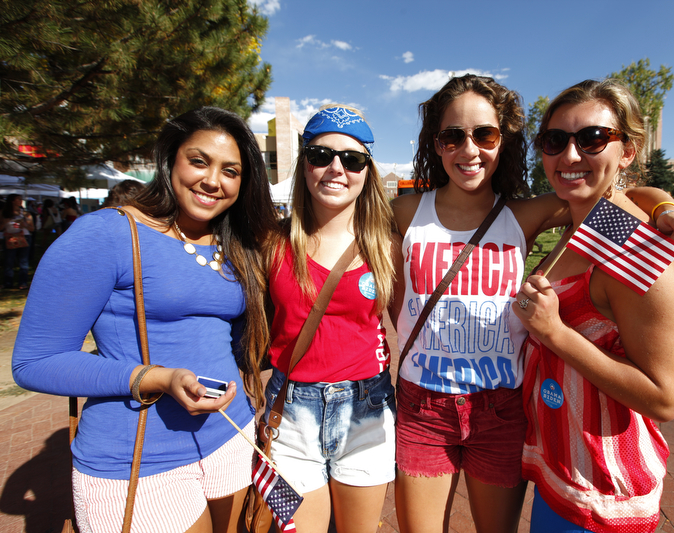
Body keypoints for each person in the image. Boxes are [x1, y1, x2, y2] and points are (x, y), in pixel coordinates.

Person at [389, 74, 674, 533]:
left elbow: (615, 195)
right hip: (426, 407)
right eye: (451, 136)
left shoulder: (525, 213)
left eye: (485, 134)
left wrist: (665, 211)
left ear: (505, 142)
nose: (468, 148)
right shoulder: (405, 213)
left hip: (503, 407)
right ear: (435, 144)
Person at [13, 106, 278, 533]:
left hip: (231, 437)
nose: (213, 180)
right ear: (170, 158)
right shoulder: (107, 234)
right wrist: (158, 378)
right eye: (198, 161)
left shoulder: (237, 244)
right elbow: (35, 362)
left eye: (231, 170)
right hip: (139, 457)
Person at [514, 78, 674, 532]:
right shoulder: (591, 224)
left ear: (627, 151)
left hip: (605, 497)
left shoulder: (639, 251)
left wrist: (555, 333)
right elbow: (633, 196)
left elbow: (664, 397)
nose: (570, 156)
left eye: (592, 139)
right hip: (562, 476)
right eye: (555, 140)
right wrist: (662, 203)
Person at [246, 105, 396, 533]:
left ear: (367, 171)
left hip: (368, 410)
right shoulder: (271, 242)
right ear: (304, 165)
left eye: (352, 160)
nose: (336, 168)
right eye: (320, 155)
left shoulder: (387, 244)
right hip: (288, 412)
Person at [3, 194, 34, 289]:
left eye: (21, 199)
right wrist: (7, 221)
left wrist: (24, 225)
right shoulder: (5, 213)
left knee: (23, 261)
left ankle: (23, 282)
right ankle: (8, 283)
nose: (21, 201)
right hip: (10, 238)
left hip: (24, 237)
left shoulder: (25, 214)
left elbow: (32, 228)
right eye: (18, 199)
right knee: (9, 261)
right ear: (12, 201)